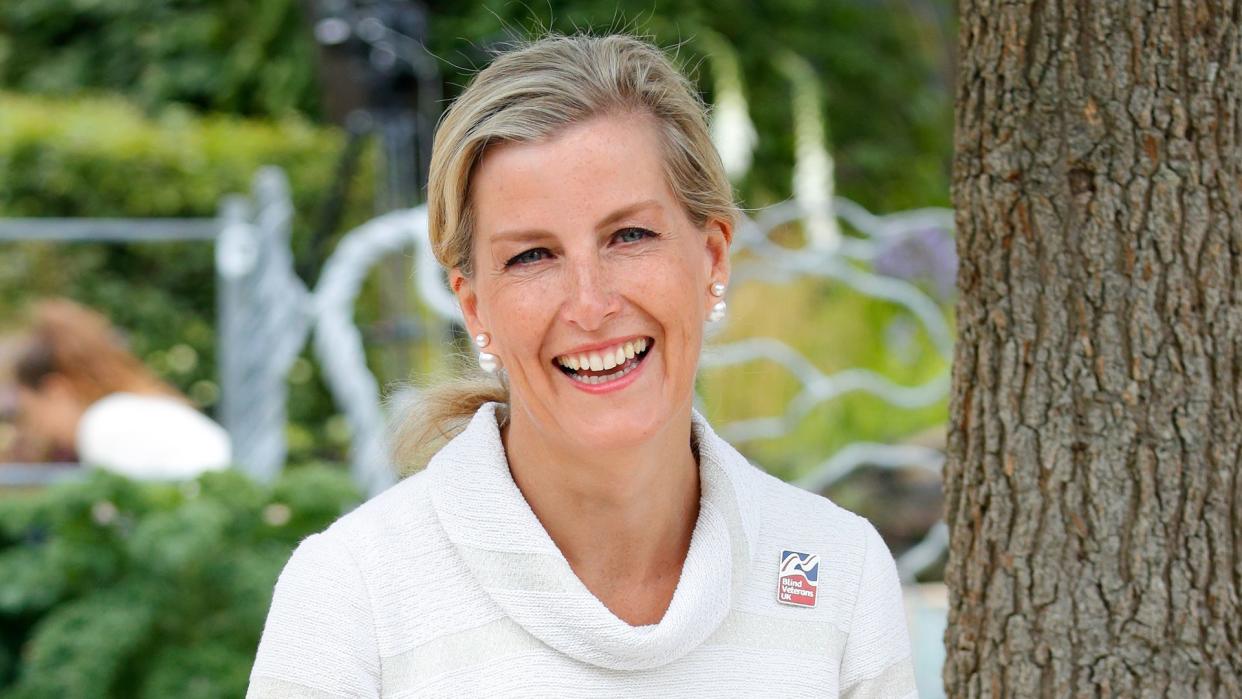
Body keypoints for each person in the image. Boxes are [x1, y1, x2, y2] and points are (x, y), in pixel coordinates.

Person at [249, 34, 916, 697]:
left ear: (712, 258)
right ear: (476, 306)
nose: (590, 305)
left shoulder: (838, 572)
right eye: (532, 256)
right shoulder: (353, 593)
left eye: (629, 235)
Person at [8, 298, 231, 480]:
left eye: (30, 411)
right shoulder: (129, 413)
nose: (36, 428)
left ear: (55, 389)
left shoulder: (106, 425)